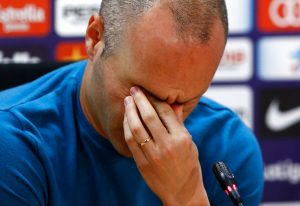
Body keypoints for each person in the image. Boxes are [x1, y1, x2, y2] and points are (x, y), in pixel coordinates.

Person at [0, 0, 263, 205]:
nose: (164, 121)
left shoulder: (229, 151)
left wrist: (187, 197)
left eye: (189, 99)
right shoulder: (13, 142)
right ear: (95, 38)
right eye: (145, 94)